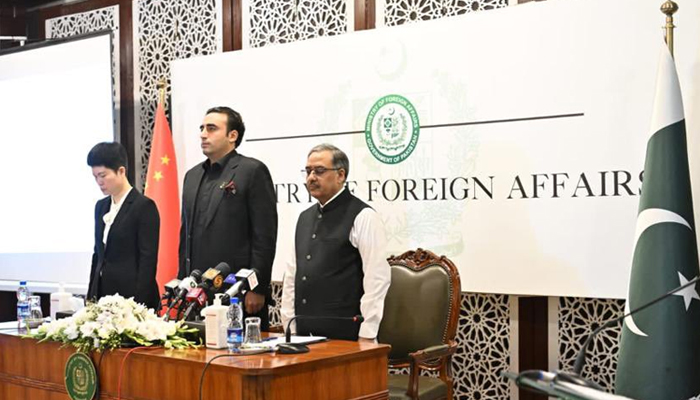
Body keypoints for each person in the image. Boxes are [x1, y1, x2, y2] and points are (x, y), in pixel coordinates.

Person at [179, 106, 277, 329]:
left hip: (237, 291)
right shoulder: (192, 176)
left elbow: (264, 236)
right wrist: (184, 283)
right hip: (196, 292)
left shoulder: (252, 171)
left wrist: (257, 288)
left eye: (211, 128)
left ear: (232, 136)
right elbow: (185, 235)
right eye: (202, 128)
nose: (203, 134)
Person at [281, 144, 391, 342]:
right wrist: (290, 325)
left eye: (319, 171)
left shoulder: (363, 216)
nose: (311, 178)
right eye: (308, 171)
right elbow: (292, 274)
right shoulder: (304, 218)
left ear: (341, 175)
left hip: (346, 336)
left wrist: (367, 332)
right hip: (303, 335)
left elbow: (377, 278)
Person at [87, 142, 160, 309]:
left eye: (103, 175)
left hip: (132, 297)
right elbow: (97, 254)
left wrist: (137, 305)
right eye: (95, 177)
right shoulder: (101, 206)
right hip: (103, 297)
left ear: (121, 171)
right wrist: (91, 297)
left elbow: (147, 261)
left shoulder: (144, 206)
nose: (99, 182)